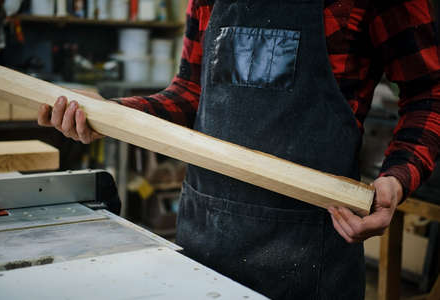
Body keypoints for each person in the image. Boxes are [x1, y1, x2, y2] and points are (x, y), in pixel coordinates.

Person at [38, 0, 439, 299]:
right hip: (205, 239)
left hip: (311, 254)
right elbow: (189, 92)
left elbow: (430, 93)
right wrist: (108, 114)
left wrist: (397, 180)